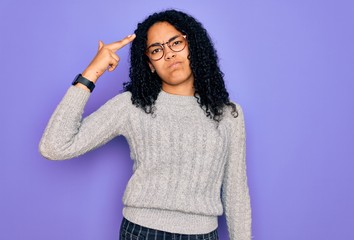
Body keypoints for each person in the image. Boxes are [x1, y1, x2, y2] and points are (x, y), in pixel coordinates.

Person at [39, 9, 251, 240]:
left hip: (202, 234)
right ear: (149, 64)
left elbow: (236, 192)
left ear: (194, 46)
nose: (169, 54)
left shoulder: (228, 114)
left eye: (176, 42)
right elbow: (55, 147)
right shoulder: (132, 105)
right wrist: (92, 73)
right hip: (141, 232)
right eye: (156, 50)